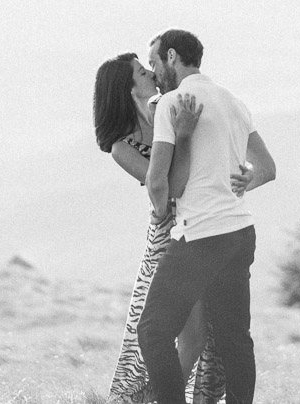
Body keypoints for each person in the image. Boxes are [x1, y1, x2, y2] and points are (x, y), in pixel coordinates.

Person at [94, 51, 244, 403]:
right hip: (170, 238)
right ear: (129, 89)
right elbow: (165, 188)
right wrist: (184, 136)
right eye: (141, 73)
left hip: (205, 224)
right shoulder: (122, 147)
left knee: (205, 336)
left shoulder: (170, 110)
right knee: (189, 335)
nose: (151, 74)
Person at [137, 29, 276, 404]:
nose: (155, 73)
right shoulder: (233, 101)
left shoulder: (173, 103)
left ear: (171, 57)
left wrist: (161, 212)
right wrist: (247, 179)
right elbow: (267, 168)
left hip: (200, 235)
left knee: (153, 331)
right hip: (240, 232)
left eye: (154, 63)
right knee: (235, 338)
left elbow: (159, 183)